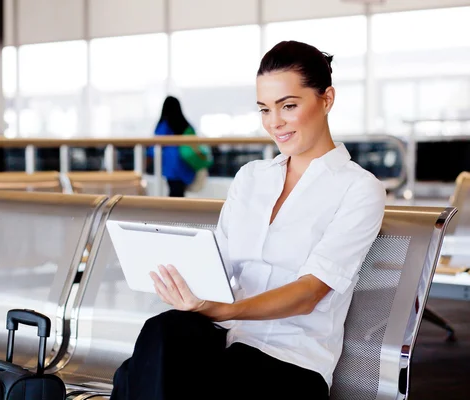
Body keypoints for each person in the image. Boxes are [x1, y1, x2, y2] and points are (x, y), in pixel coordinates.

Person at [111, 41, 387, 399]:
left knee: (141, 377)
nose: (275, 123)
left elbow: (309, 293)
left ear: (326, 99)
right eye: (265, 109)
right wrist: (181, 281)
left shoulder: (359, 189)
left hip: (291, 362)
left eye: (288, 106)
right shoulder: (252, 177)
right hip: (225, 340)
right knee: (163, 330)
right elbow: (219, 262)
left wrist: (226, 309)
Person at [149, 96, 197, 197]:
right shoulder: (186, 125)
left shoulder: (164, 125)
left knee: (174, 193)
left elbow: (154, 147)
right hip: (186, 164)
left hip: (171, 167)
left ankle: (176, 212)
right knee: (180, 193)